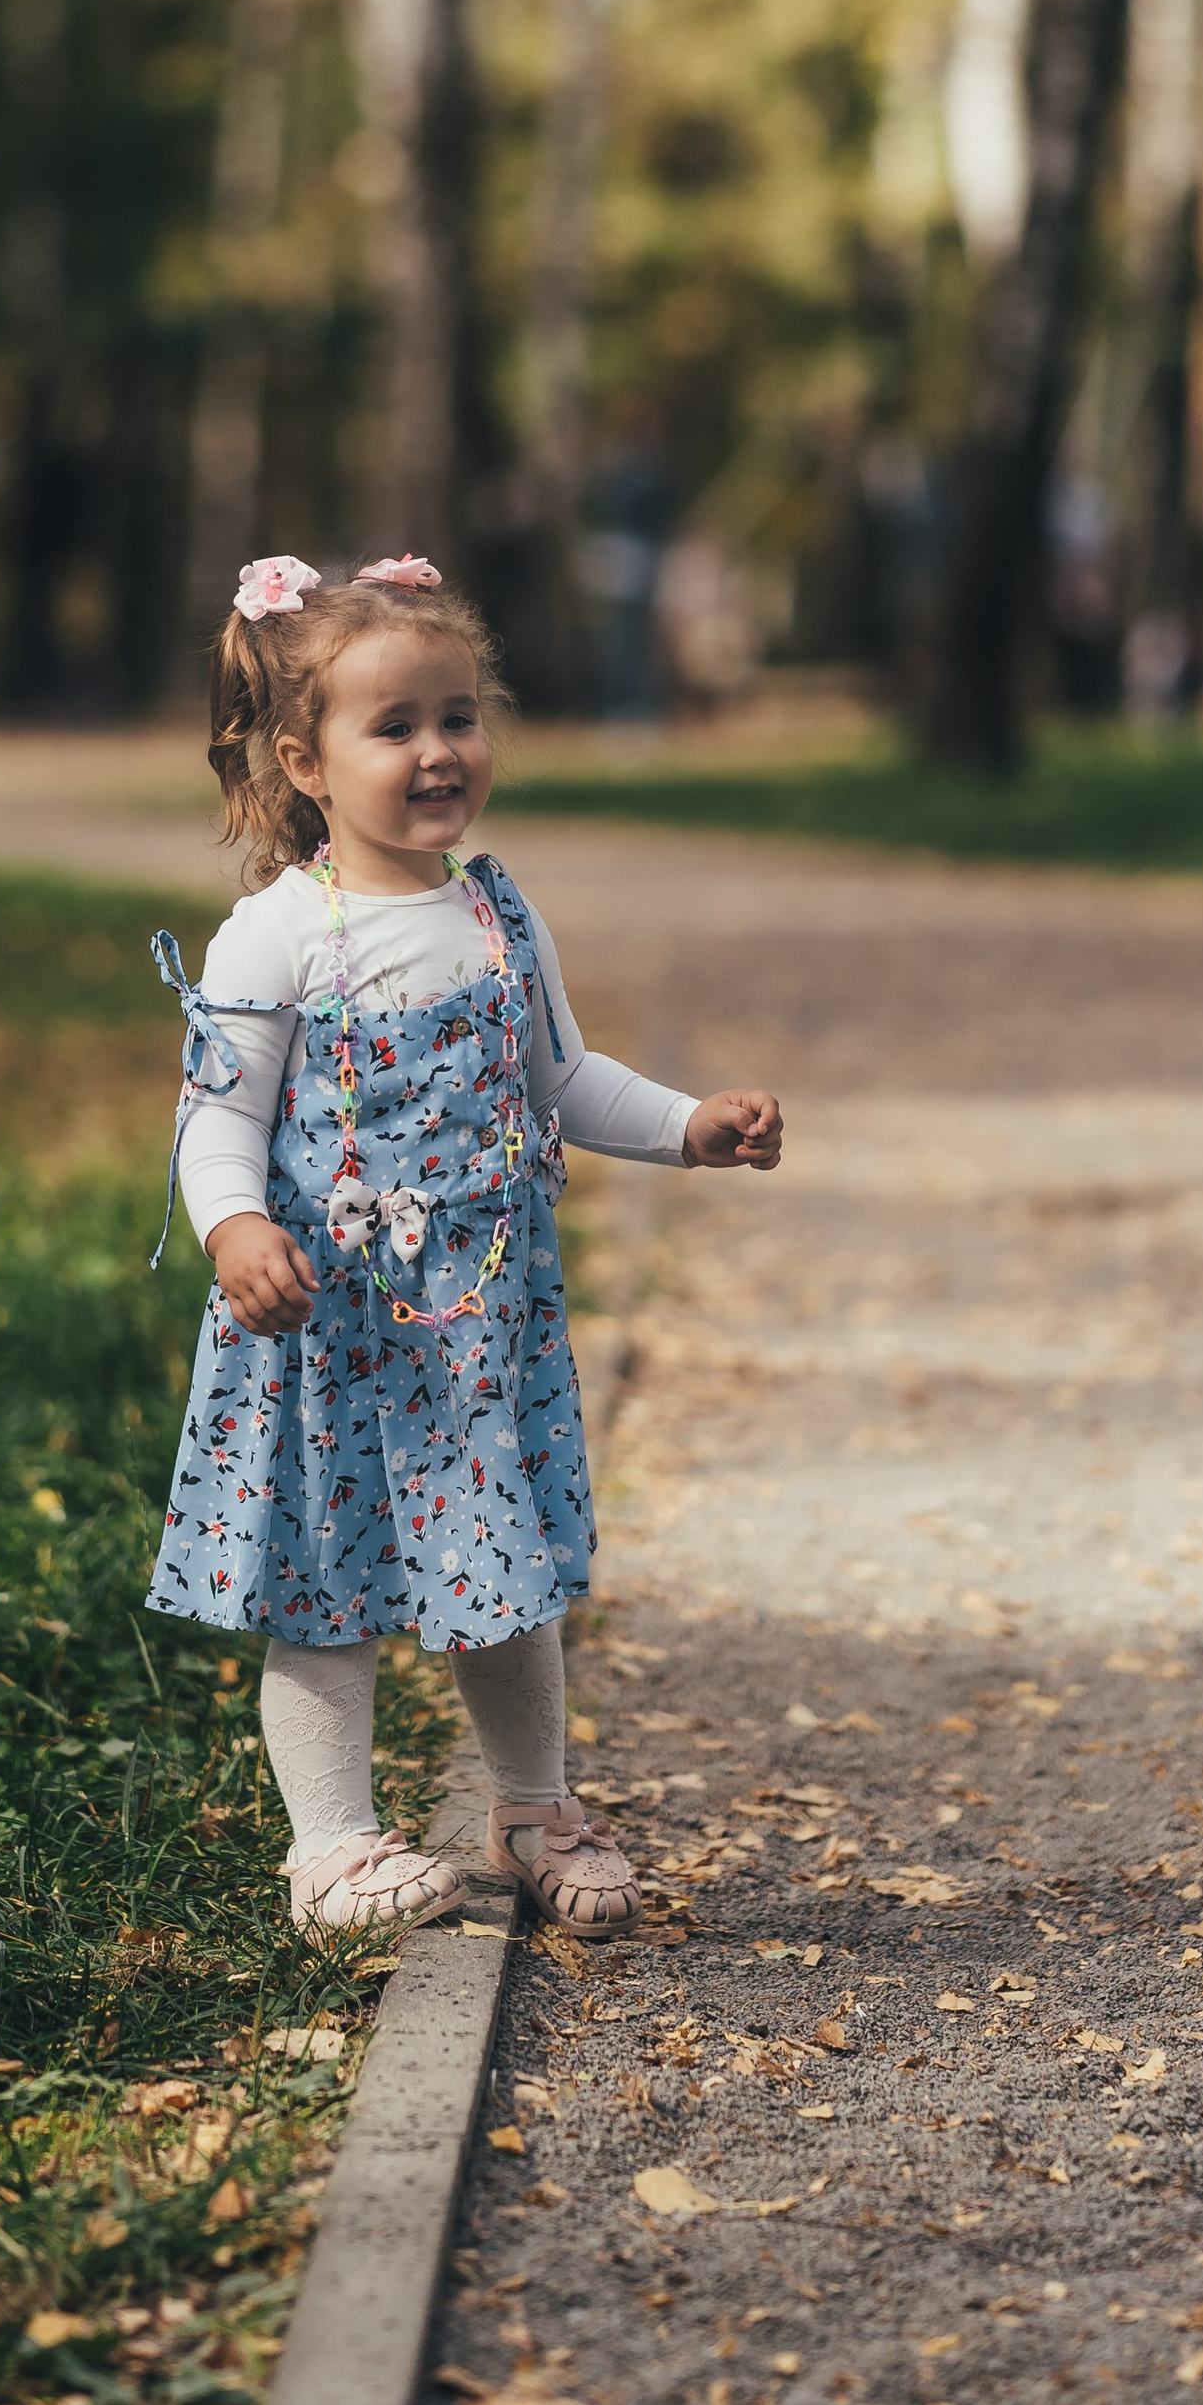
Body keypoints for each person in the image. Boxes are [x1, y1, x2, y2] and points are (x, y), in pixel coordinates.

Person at [147, 552, 785, 1942]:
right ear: (307, 763)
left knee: (504, 1578)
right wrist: (237, 1224)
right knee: (324, 1597)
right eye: (397, 729)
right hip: (330, 1331)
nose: (439, 752)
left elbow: (564, 1079)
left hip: (477, 1332)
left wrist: (688, 1126)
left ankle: (534, 1804)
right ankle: (331, 1852)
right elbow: (215, 1120)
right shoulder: (279, 936)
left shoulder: (497, 913)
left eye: (459, 716)